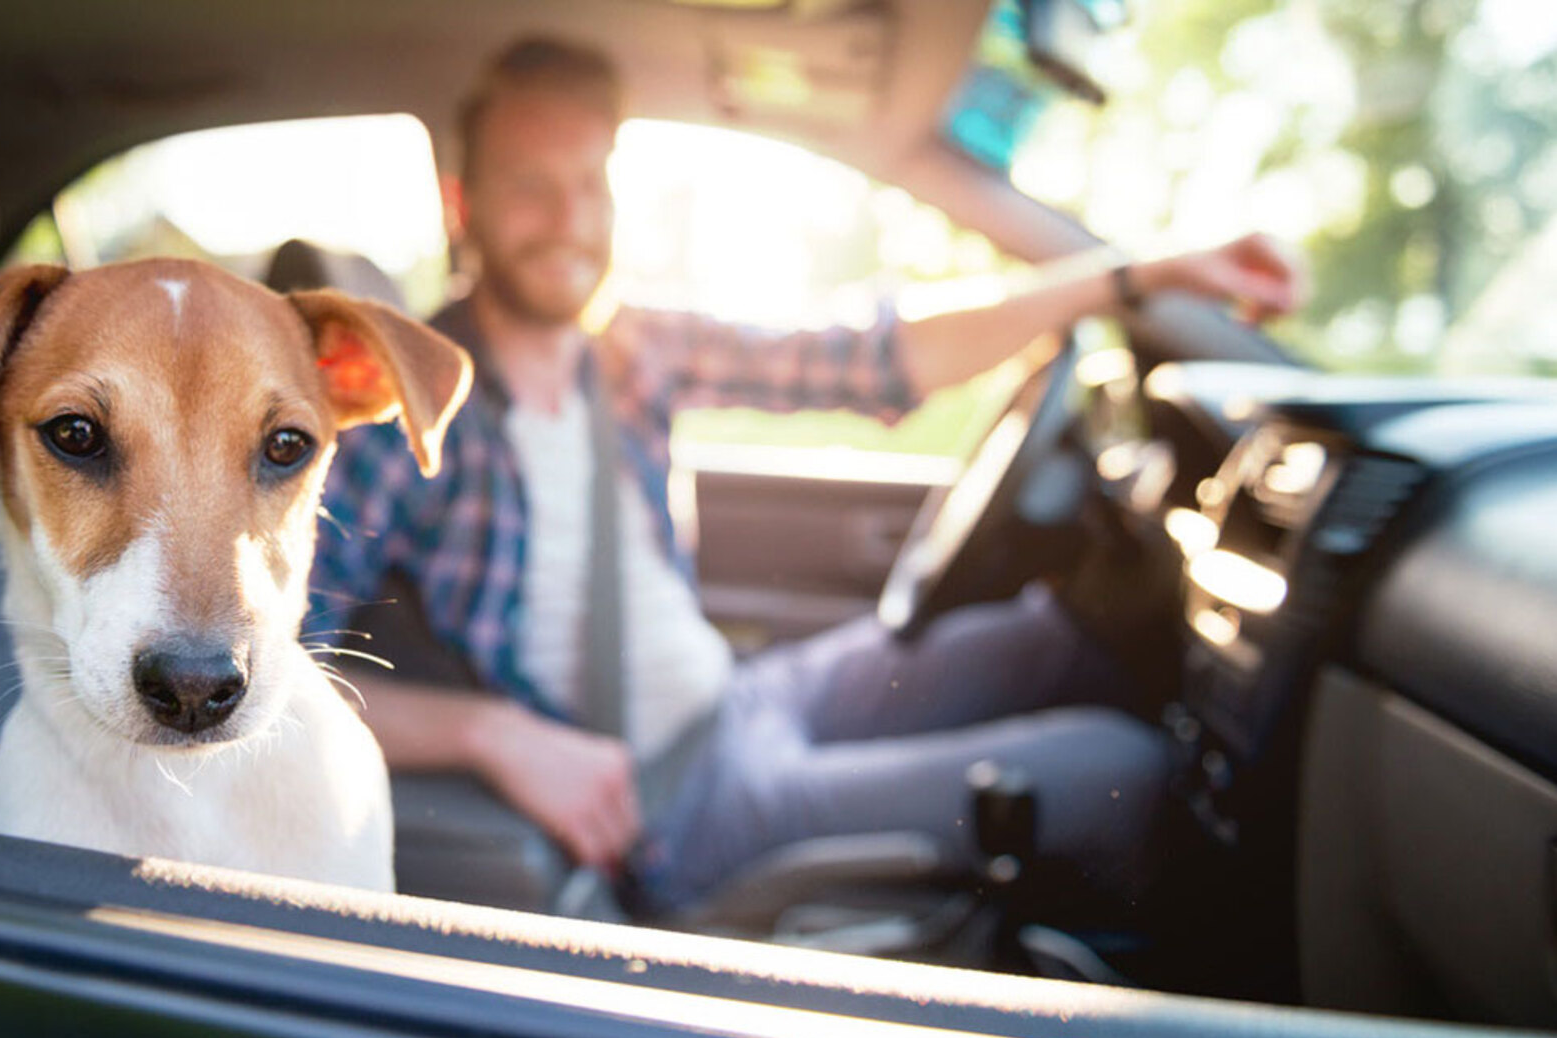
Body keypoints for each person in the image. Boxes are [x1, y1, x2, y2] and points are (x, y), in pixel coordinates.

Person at [310, 37, 1304, 913]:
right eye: (531, 184)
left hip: (740, 700)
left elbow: (878, 356)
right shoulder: (396, 412)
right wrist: (491, 735)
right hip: (675, 805)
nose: (570, 219)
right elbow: (275, 678)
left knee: (1048, 637)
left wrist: (1138, 277)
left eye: (591, 182)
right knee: (1118, 771)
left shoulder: (629, 349)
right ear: (462, 201)